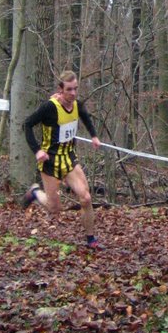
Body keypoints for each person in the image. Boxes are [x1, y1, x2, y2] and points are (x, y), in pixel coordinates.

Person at [22, 70, 102, 247]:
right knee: (54, 208)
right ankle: (35, 192)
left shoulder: (77, 105)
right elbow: (27, 124)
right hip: (50, 161)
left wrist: (94, 136)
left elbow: (85, 117)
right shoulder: (49, 107)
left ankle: (91, 239)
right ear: (60, 89)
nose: (73, 93)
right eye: (69, 89)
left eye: (75, 89)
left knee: (86, 198)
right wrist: (37, 151)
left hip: (69, 158)